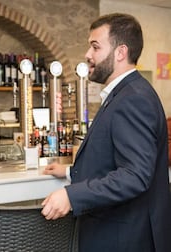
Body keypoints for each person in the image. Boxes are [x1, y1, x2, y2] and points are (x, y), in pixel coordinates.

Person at [41, 13, 171, 252]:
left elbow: (134, 175)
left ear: (120, 52)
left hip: (126, 237)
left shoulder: (133, 99)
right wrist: (70, 171)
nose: (87, 55)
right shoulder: (125, 93)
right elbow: (112, 159)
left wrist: (72, 196)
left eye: (95, 47)